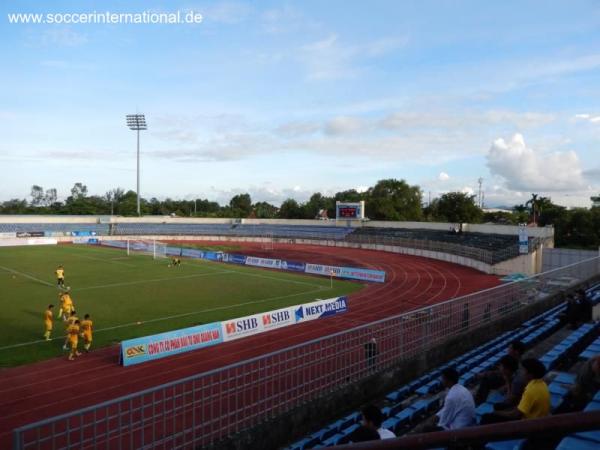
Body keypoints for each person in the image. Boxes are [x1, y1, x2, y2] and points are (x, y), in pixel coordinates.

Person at [484, 358, 550, 422]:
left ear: (530, 375)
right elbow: (520, 408)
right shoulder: (542, 384)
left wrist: (496, 413)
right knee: (498, 408)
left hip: (528, 424)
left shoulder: (531, 390)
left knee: (487, 417)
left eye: (523, 370)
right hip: (538, 419)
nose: (521, 373)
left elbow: (515, 415)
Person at [475, 340, 526, 405]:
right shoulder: (511, 360)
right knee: (487, 377)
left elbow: (513, 381)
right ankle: (479, 401)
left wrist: (505, 386)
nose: (508, 350)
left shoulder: (520, 367)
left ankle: (479, 402)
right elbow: (501, 372)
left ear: (516, 351)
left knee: (486, 380)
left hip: (508, 383)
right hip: (506, 379)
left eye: (510, 348)